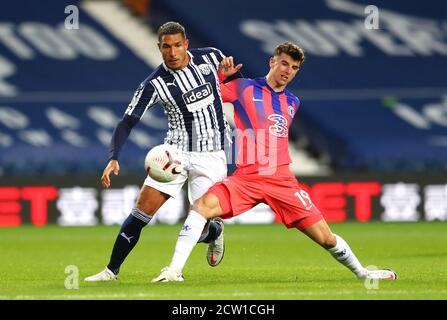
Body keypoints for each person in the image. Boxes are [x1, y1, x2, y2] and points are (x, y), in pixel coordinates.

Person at [151, 42, 397, 282]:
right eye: (284, 63)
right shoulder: (243, 88)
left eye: (294, 67)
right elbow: (204, 99)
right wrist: (219, 76)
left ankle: (362, 272)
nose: (288, 71)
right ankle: (173, 271)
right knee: (201, 208)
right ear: (272, 62)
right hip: (245, 178)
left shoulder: (292, 102)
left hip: (282, 181)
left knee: (326, 238)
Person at [85, 21, 230, 282]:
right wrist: (113, 157)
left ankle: (215, 231)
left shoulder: (212, 57)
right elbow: (126, 122)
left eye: (177, 45)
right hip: (173, 156)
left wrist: (229, 76)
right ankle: (111, 271)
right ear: (158, 48)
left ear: (186, 44)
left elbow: (237, 88)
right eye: (166, 47)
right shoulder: (153, 84)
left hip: (211, 154)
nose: (172, 53)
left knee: (200, 224)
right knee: (141, 212)